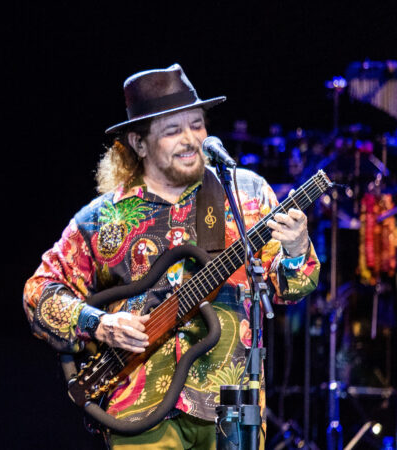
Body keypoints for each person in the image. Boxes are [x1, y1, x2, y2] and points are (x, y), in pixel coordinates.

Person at [23, 64, 320, 449]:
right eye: (172, 130)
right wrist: (98, 323)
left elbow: (288, 287)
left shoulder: (246, 194)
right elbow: (39, 292)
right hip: (138, 410)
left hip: (230, 407)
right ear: (139, 143)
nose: (191, 139)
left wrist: (296, 249)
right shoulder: (103, 217)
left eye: (196, 125)